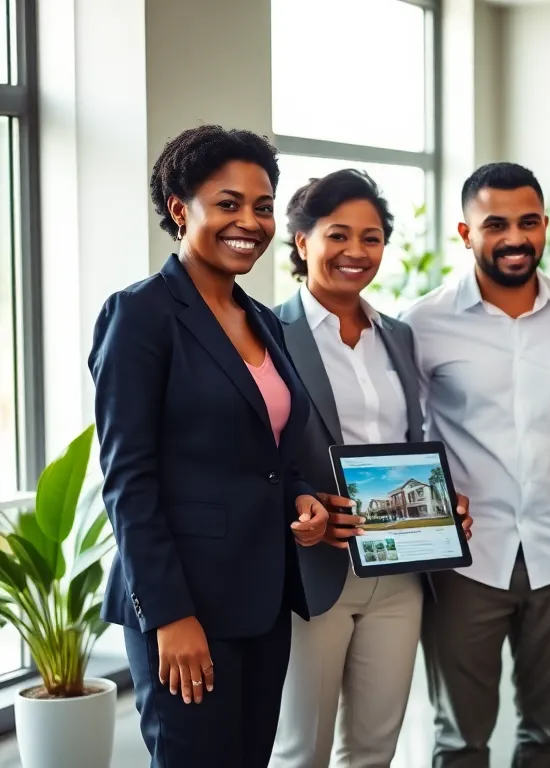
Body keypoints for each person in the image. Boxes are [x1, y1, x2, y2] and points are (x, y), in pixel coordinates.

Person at [89, 125, 335, 767]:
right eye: (228, 204)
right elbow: (128, 480)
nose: (249, 222)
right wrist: (169, 616)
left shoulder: (261, 318)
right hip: (185, 605)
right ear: (180, 209)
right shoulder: (141, 315)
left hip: (262, 597)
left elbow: (270, 454)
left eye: (261, 206)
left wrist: (304, 500)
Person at [269, 169, 472, 767]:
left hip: (401, 570)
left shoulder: (399, 336)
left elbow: (411, 441)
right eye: (338, 235)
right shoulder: (268, 332)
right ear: (302, 242)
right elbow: (257, 455)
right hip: (316, 568)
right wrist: (298, 504)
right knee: (300, 749)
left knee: (375, 747)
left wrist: (442, 502)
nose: (356, 252)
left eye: (372, 237)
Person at [402, 162, 550, 768]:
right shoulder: (422, 322)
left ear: (545, 227)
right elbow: (402, 431)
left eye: (528, 222)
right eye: (496, 224)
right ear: (465, 233)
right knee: (460, 739)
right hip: (466, 558)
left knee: (547, 734)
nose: (515, 237)